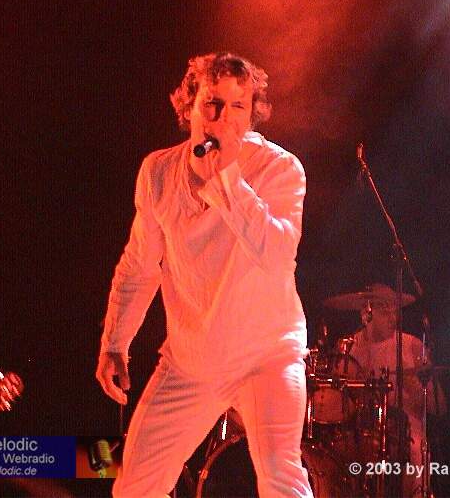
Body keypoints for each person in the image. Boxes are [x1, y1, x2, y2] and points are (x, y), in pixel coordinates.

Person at [96, 52, 313, 497]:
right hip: (191, 360)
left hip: (266, 356)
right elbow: (140, 264)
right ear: (190, 105)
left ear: (251, 113)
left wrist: (228, 178)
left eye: (238, 106)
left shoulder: (280, 169)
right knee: (133, 486)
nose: (224, 118)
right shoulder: (158, 171)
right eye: (213, 103)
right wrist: (115, 341)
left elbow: (275, 255)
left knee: (281, 478)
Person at [342, 283, 445, 496]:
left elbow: (439, 406)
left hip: (406, 432)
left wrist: (413, 383)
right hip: (363, 431)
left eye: (395, 311)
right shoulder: (350, 348)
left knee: (415, 451)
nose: (392, 317)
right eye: (384, 310)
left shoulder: (411, 345)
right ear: (366, 312)